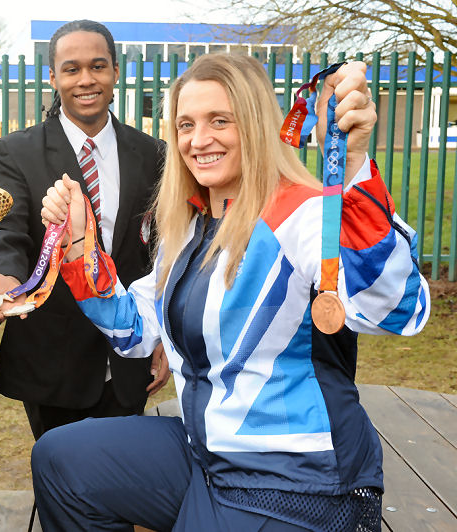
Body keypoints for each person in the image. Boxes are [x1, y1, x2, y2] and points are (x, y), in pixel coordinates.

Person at [34, 54, 430, 531]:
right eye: (185, 124)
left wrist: (350, 168)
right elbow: (134, 333)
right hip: (206, 455)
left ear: (257, 124)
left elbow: (397, 310)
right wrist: (80, 244)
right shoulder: (187, 226)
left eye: (220, 121)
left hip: (296, 479)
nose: (198, 141)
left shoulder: (302, 213)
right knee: (60, 459)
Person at [0, 20, 170, 439]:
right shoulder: (16, 151)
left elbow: (164, 253)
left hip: (130, 361)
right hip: (52, 361)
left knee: (121, 488)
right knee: (62, 487)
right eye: (72, 69)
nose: (86, 80)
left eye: (98, 66)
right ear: (54, 77)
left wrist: (164, 336)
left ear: (115, 71)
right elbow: (9, 229)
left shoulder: (154, 154)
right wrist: (6, 276)